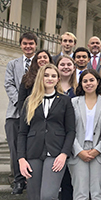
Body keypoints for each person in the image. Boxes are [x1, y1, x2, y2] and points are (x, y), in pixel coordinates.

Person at [17, 64, 75, 200]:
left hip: (55, 154)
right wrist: (21, 159)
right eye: (46, 75)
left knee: (48, 195)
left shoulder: (65, 101)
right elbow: (22, 132)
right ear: (40, 78)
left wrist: (64, 154)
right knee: (34, 196)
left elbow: (71, 131)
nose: (50, 78)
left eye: (53, 76)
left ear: (58, 79)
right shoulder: (29, 101)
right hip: (33, 153)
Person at [68, 69, 101, 200]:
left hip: (99, 151)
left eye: (91, 80)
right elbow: (69, 129)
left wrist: (98, 149)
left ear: (98, 82)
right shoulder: (73, 102)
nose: (88, 83)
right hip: (78, 149)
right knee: (80, 193)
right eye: (85, 81)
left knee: (98, 193)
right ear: (81, 84)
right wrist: (78, 150)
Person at [4, 32, 37, 195]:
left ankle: (31, 178)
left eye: (31, 43)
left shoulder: (40, 64)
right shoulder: (12, 64)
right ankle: (18, 180)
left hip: (36, 114)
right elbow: (8, 84)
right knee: (15, 148)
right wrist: (21, 103)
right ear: (21, 45)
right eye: (25, 43)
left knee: (32, 148)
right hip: (15, 113)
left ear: (36, 45)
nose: (28, 46)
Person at [56, 55, 77, 199]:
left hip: (74, 138)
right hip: (55, 139)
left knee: (69, 182)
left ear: (74, 68)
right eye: (62, 64)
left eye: (69, 64)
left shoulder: (78, 90)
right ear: (57, 67)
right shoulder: (51, 88)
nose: (65, 67)